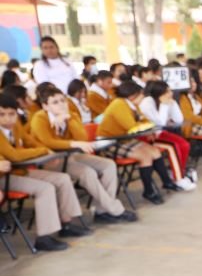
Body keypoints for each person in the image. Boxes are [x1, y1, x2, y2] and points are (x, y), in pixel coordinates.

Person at [30, 83, 137, 223]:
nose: (61, 105)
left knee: (109, 165)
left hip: (70, 156)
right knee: (87, 172)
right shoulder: (39, 118)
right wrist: (74, 143)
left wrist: (69, 119)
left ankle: (102, 210)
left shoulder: (72, 115)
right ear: (45, 106)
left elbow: (82, 138)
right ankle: (114, 209)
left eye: (63, 100)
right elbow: (48, 142)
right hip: (50, 160)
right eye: (55, 102)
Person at [0, 94, 90, 250]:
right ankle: (44, 238)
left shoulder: (16, 127)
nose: (8, 119)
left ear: (17, 113)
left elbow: (30, 141)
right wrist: (42, 150)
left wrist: (48, 151)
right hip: (4, 177)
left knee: (62, 179)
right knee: (45, 188)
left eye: (12, 114)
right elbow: (13, 155)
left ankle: (66, 224)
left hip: (19, 171)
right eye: (2, 115)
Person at [97, 80, 176, 205]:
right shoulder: (119, 104)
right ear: (133, 96)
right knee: (145, 156)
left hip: (124, 140)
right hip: (110, 143)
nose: (143, 98)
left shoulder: (132, 105)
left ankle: (167, 182)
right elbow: (132, 126)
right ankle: (148, 191)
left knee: (155, 151)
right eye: (141, 95)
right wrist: (145, 126)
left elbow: (144, 120)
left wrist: (146, 127)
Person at [139, 80, 197, 190]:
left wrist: (173, 103)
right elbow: (159, 123)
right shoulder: (147, 103)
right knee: (173, 147)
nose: (170, 93)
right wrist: (164, 106)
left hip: (160, 133)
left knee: (184, 145)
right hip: (148, 135)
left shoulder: (165, 100)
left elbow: (178, 120)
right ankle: (178, 178)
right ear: (159, 93)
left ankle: (178, 171)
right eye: (167, 91)